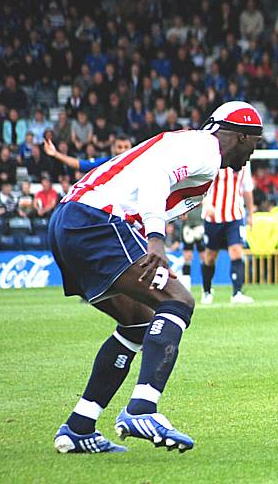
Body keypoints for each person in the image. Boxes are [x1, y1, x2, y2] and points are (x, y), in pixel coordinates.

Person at [48, 101, 263, 454]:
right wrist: (156, 239)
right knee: (178, 301)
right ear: (241, 136)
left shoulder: (191, 147)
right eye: (256, 142)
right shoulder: (204, 148)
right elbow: (154, 177)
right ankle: (142, 408)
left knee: (139, 322)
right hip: (96, 221)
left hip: (71, 221)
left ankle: (79, 426)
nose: (254, 152)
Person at [200, 162, 254, 304]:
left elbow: (247, 188)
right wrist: (206, 203)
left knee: (236, 251)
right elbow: (202, 184)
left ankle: (237, 293)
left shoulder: (244, 162)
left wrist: (251, 214)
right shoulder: (216, 159)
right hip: (213, 216)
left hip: (235, 215)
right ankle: (207, 291)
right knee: (210, 256)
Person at [44, 134, 132, 173]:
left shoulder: (139, 164)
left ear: (132, 148)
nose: (123, 150)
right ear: (113, 148)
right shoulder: (106, 163)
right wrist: (56, 154)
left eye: (126, 147)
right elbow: (80, 164)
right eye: (119, 147)